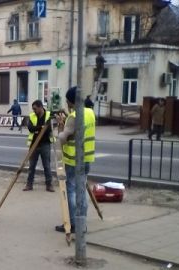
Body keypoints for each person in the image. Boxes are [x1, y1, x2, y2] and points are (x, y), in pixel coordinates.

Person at [55, 86, 96, 233]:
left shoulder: (73, 117)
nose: (67, 104)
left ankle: (73, 223)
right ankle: (82, 221)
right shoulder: (90, 112)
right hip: (87, 157)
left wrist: (61, 126)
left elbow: (63, 139)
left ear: (72, 101)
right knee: (82, 189)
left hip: (73, 160)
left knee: (71, 191)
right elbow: (79, 130)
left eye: (68, 101)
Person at [23, 100, 55, 192]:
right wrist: (41, 128)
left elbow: (49, 129)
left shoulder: (48, 115)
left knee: (47, 165)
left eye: (35, 109)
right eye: (33, 109)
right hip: (34, 144)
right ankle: (29, 184)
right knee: (31, 166)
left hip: (45, 144)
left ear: (41, 107)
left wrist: (40, 128)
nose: (34, 111)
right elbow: (30, 128)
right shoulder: (32, 116)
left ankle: (49, 185)